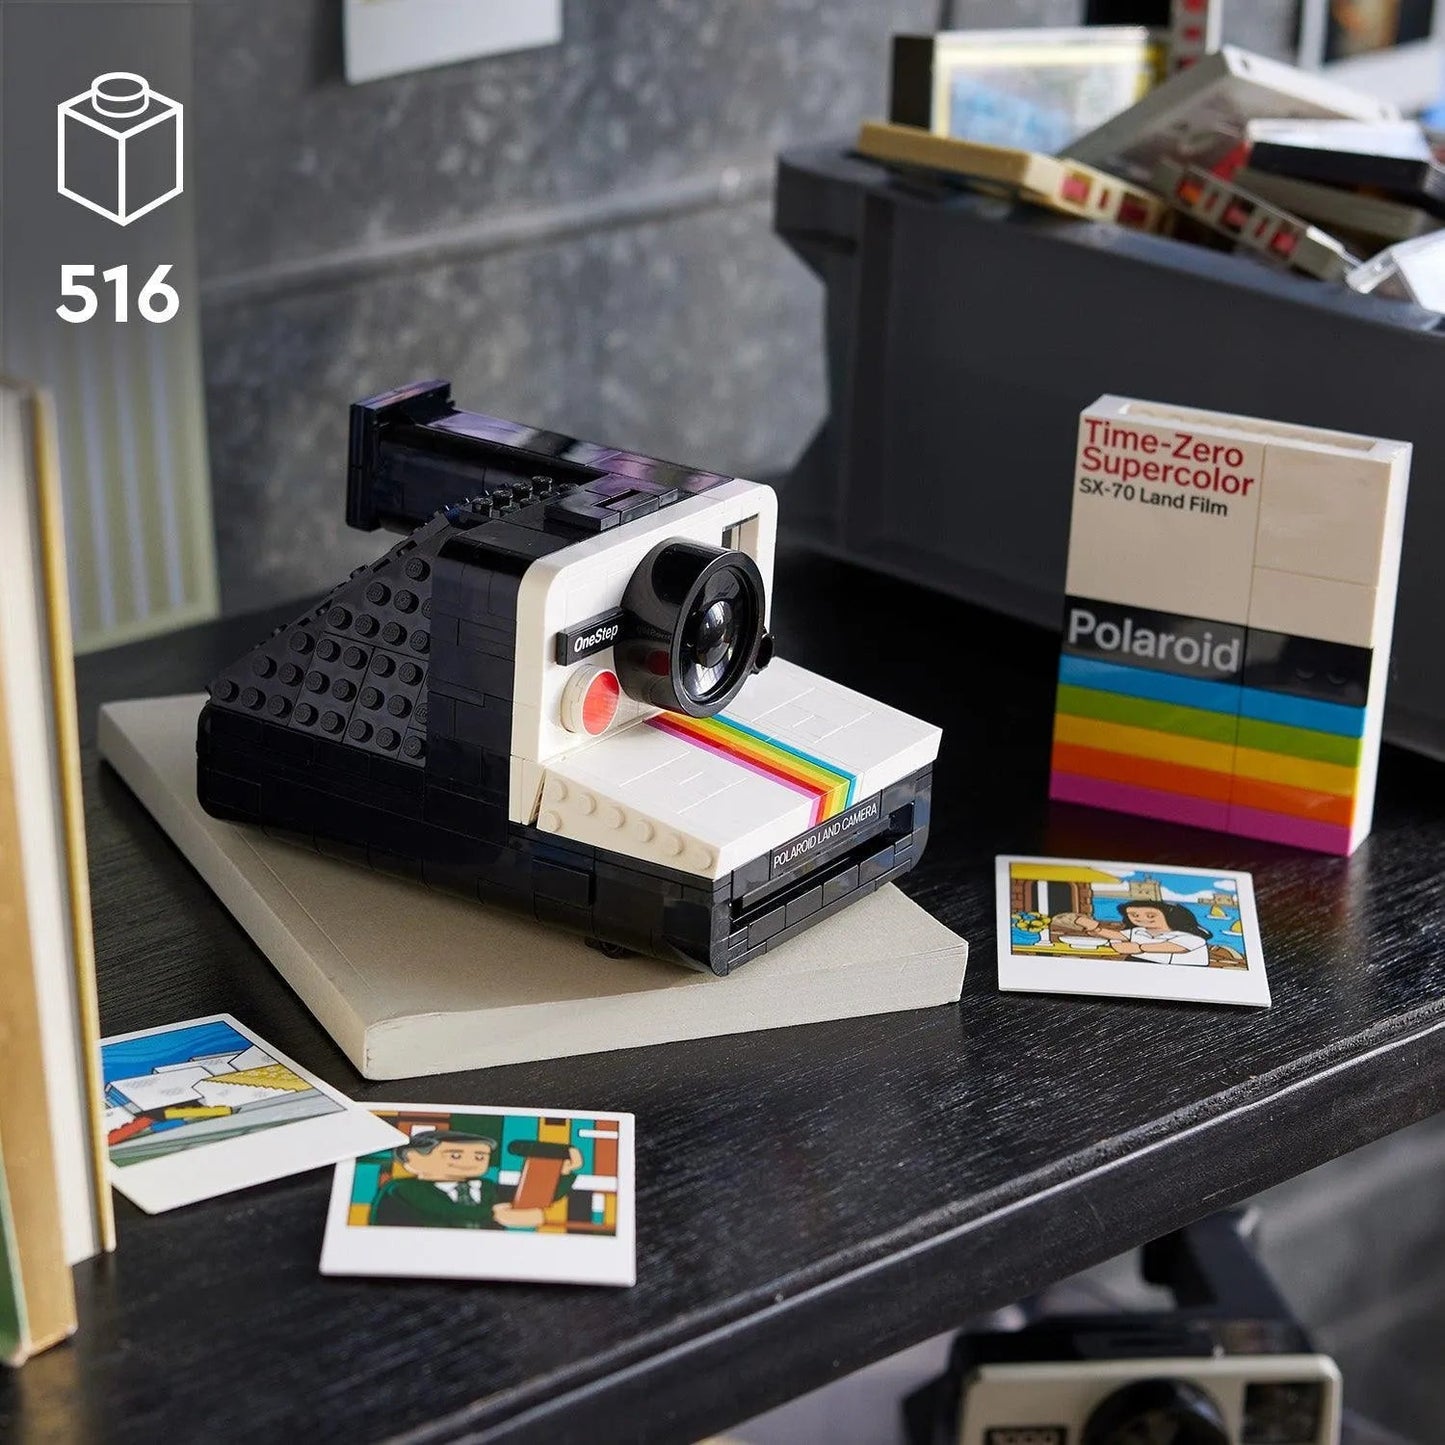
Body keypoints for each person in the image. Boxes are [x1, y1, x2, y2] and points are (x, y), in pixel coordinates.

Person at [369, 1129, 582, 1229]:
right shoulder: (402, 1188)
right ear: (413, 1159)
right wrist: (495, 1214)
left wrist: (564, 1173)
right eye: (455, 1155)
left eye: (480, 1156)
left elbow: (531, 1197)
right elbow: (446, 1210)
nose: (469, 1162)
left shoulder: (486, 1187)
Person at [1073, 900, 1211, 968]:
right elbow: (1119, 936)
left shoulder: (1192, 938)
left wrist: (1139, 948)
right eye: (1133, 915)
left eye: (1150, 915)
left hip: (1180, 972)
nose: (1141, 919)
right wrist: (1096, 929)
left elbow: (1177, 947)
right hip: (1139, 964)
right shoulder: (1139, 931)